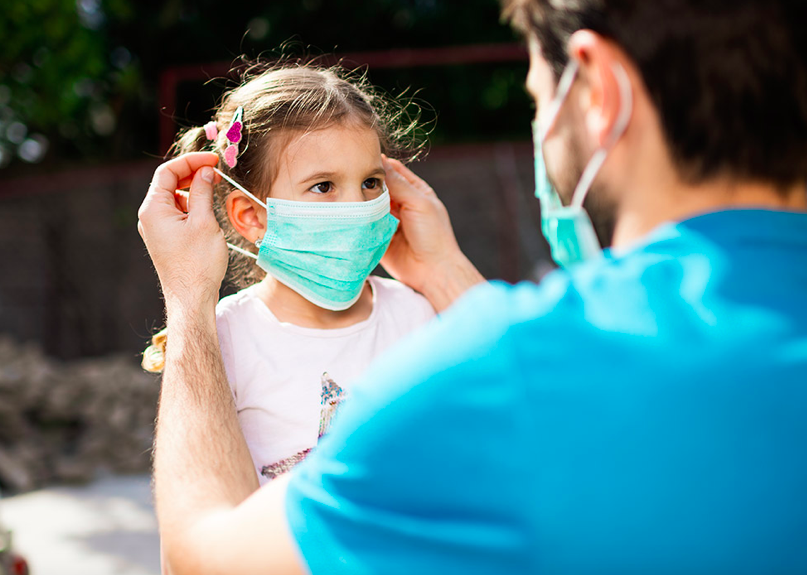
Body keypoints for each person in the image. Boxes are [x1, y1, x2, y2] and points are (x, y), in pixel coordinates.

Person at [137, 0, 807, 573]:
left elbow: (204, 558)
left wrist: (188, 298)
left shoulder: (506, 369)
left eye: (538, 98)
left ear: (600, 91)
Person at [141, 65, 435, 485]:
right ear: (252, 217)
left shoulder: (416, 314)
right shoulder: (220, 340)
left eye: (371, 182)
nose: (357, 205)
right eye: (323, 186)